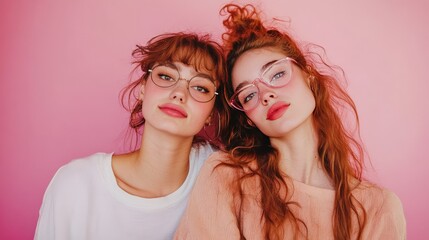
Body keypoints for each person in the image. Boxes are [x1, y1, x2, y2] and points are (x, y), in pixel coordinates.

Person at [175, 4, 406, 240]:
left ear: (311, 79)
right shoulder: (226, 177)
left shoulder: (377, 208)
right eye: (249, 95)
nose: (266, 94)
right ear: (250, 119)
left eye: (276, 74)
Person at [34, 32, 226, 240]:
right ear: (143, 89)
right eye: (166, 76)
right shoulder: (76, 185)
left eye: (200, 87)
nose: (179, 93)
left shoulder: (223, 177)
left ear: (211, 114)